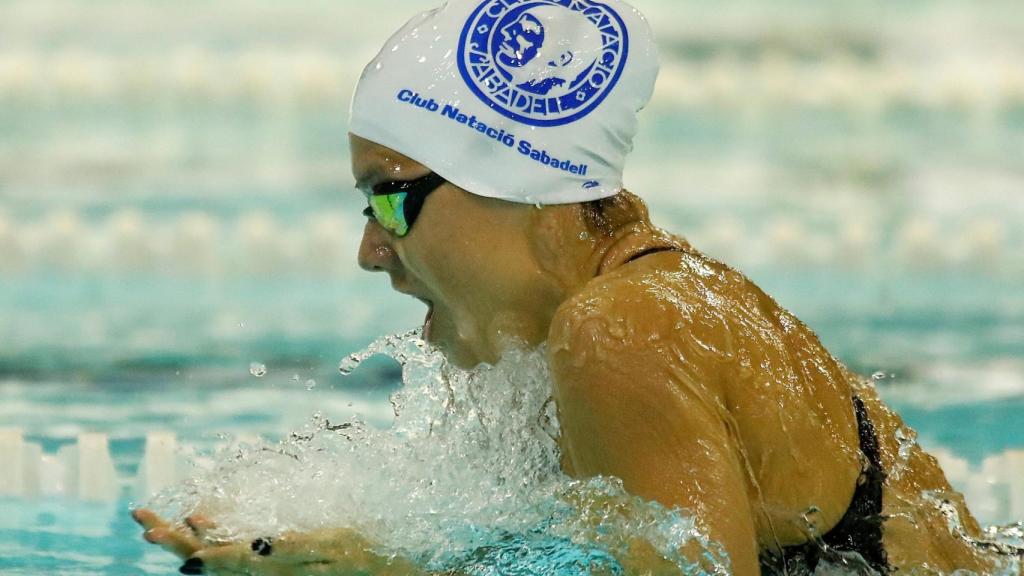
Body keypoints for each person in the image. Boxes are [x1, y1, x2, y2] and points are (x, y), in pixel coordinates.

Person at [135, 0, 1021, 574]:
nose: (372, 250)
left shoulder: (622, 329)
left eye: (390, 199)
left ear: (515, 184)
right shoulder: (644, 307)